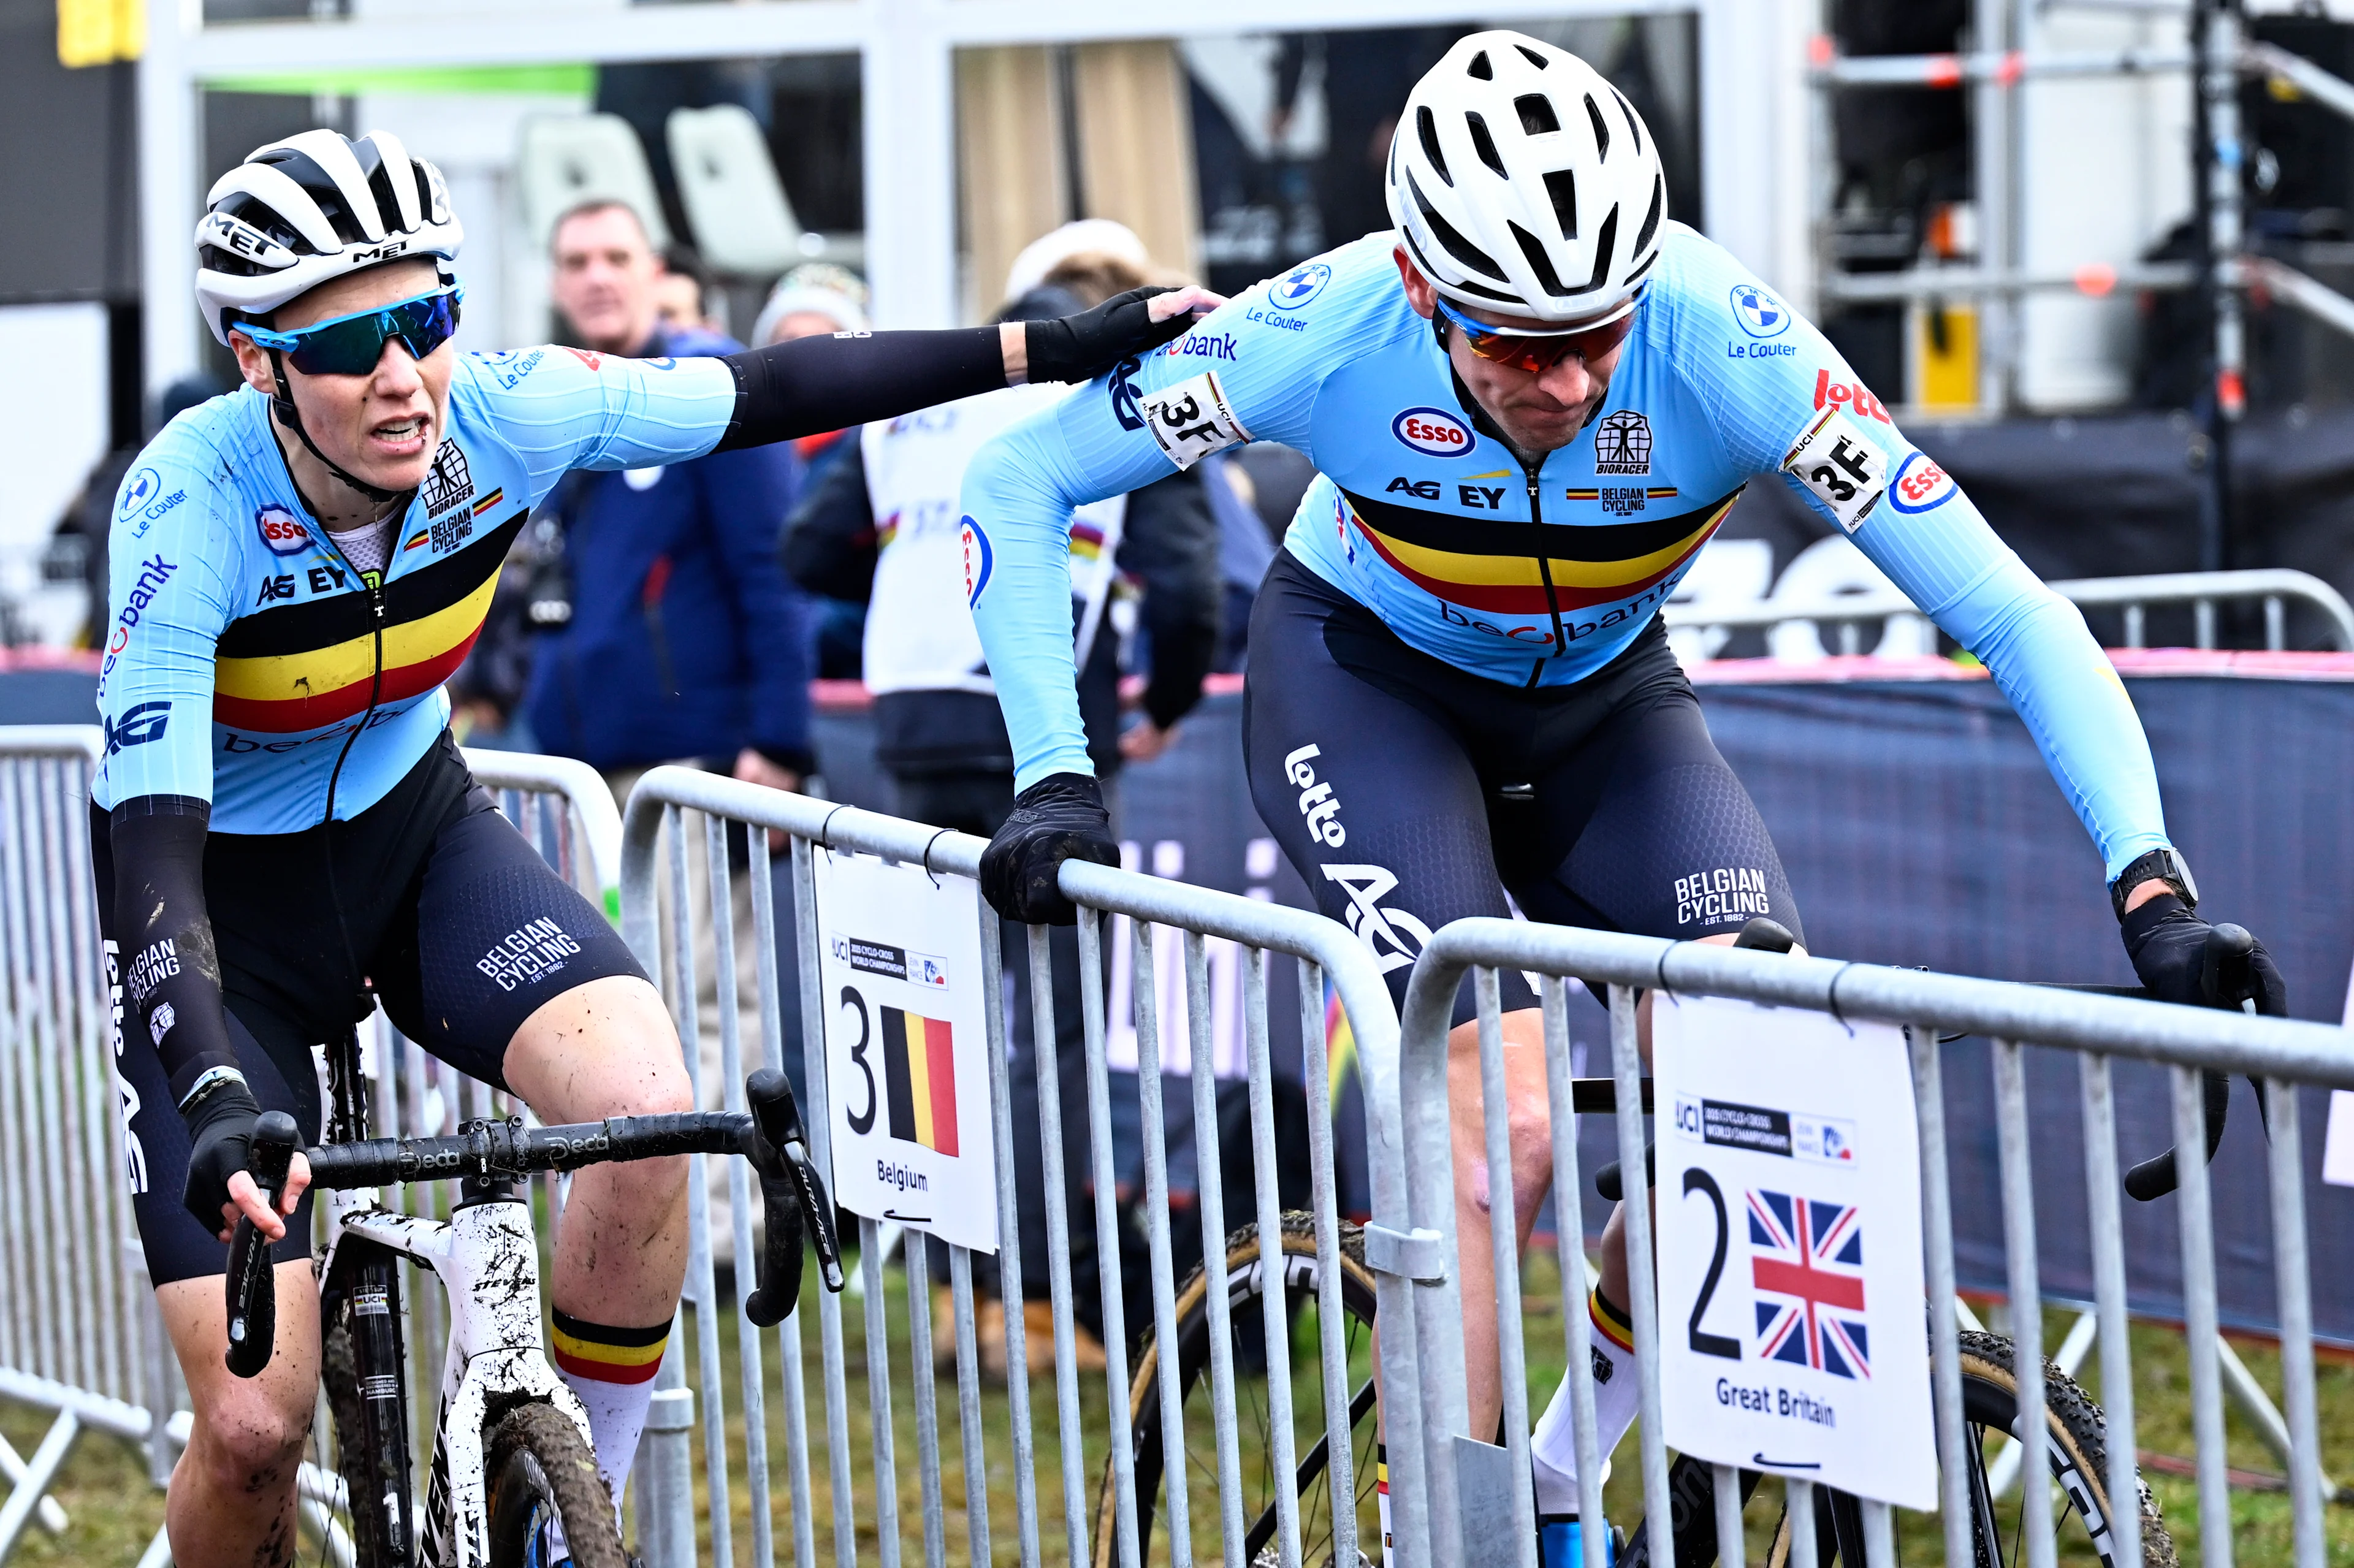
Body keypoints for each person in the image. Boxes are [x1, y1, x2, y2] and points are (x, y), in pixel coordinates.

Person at [954, 33, 2286, 1566]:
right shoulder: (1315, 331)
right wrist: (1051, 771)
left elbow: (2008, 609)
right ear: (1427, 287)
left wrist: (2152, 887)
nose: (1571, 380)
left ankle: (1569, 1470)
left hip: (1604, 703)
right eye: (1520, 346)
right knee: (1501, 1130)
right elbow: (1017, 479)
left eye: (1597, 332)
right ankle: (1443, 1532)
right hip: (1365, 682)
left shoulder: (1732, 343)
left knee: (1752, 1079)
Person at [98, 126, 1213, 1568]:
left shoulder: (508, 412)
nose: (401, 376)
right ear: (258, 361)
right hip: (219, 919)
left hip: (413, 838)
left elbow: (776, 388)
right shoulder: (184, 509)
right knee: (255, 1431)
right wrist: (202, 1073)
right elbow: (154, 854)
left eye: (427, 319)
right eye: (349, 342)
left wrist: (1052, 345)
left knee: (644, 1106)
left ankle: (572, 1525)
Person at [780, 232, 1226, 1372]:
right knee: (1056, 1031)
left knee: (939, 1019)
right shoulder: (1124, 382)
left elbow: (811, 542)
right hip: (1045, 729)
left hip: (912, 715)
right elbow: (1186, 583)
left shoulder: (938, 379)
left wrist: (915, 568)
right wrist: (1165, 697)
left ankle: (965, 1299)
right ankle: (1042, 1301)